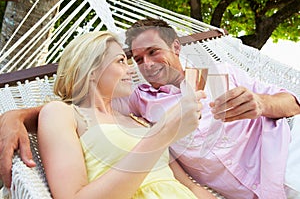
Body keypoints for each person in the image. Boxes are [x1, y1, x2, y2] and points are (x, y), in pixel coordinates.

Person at [1, 18, 300, 198]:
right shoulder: (139, 102)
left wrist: (261, 104)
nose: (142, 66)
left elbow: (292, 102)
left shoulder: (222, 70)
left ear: (176, 48)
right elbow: (81, 103)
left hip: (287, 146)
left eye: (153, 52)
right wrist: (16, 114)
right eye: (133, 58)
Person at [27, 31, 215, 198]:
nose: (132, 69)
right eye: (121, 61)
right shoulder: (62, 113)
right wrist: (162, 134)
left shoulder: (137, 120)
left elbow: (188, 185)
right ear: (91, 71)